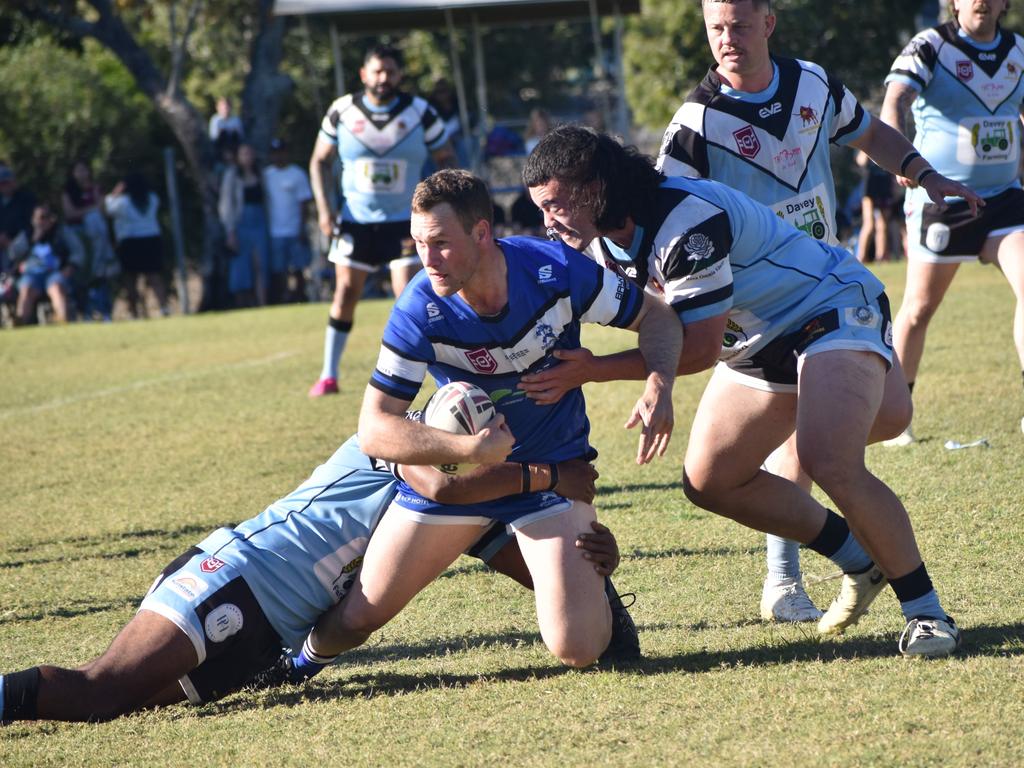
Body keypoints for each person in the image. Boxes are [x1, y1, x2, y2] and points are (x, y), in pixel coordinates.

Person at [521, 125, 965, 657]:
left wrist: (596, 370)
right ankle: (859, 559)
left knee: (829, 459)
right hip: (754, 341)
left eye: (556, 204)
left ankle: (926, 613)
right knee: (711, 481)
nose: (548, 222)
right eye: (540, 208)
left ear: (596, 187)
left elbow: (698, 349)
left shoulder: (685, 222)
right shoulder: (588, 240)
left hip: (823, 309)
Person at [655, 0, 981, 623]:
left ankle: (851, 574)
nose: (727, 40)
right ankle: (792, 579)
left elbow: (869, 133)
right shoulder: (695, 124)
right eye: (716, 28)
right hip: (754, 319)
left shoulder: (812, 82)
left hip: (828, 293)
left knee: (884, 418)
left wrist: (921, 171)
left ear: (768, 23)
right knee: (725, 472)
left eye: (740, 26)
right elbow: (666, 216)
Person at [291, 169, 680, 677]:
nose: (426, 260)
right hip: (470, 480)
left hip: (554, 474)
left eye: (440, 244)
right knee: (360, 615)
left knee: (578, 646)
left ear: (481, 233)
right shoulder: (420, 308)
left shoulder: (553, 269)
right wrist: (472, 451)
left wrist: (659, 383)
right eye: (417, 244)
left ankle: (591, 587)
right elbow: (375, 428)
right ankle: (294, 664)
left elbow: (656, 318)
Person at [0, 429, 629, 723]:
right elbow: (438, 482)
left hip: (262, 634)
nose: (489, 443)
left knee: (123, 706)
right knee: (98, 691)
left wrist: (589, 562)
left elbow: (523, 561)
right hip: (233, 580)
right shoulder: (406, 450)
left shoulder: (461, 501)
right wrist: (546, 480)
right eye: (481, 433)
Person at [881, 0, 1024, 442]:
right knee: (919, 309)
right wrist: (900, 157)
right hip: (941, 200)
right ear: (954, 2)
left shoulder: (1019, 50)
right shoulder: (930, 46)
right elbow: (894, 102)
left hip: (1005, 199)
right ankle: (895, 415)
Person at [307, 43, 456, 398]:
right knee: (345, 292)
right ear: (363, 74)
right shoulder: (342, 110)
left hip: (405, 223)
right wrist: (325, 211)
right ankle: (329, 374)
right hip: (355, 222)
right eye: (376, 71)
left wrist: (441, 209)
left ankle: (430, 377)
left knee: (408, 294)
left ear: (399, 75)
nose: (383, 78)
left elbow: (446, 158)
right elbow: (318, 161)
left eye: (390, 71)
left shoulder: (421, 112)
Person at [105, 173, 170, 318]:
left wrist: (115, 192)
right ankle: (164, 308)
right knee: (154, 276)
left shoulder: (122, 202)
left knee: (130, 280)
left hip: (130, 242)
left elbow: (108, 208)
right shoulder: (152, 198)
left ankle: (134, 312)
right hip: (152, 240)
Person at [8, 203, 84, 325]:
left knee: (56, 288)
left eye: (45, 217)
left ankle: (62, 320)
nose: (42, 221)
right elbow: (12, 253)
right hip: (32, 273)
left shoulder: (61, 233)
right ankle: (21, 321)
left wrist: (70, 267)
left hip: (55, 272)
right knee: (26, 290)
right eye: (39, 217)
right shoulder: (28, 234)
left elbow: (78, 252)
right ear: (33, 219)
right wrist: (33, 239)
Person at [62, 160, 119, 320]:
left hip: (97, 243)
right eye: (78, 170)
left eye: (84, 170)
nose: (81, 174)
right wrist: (92, 208)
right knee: (83, 273)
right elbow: (70, 214)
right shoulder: (69, 191)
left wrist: (94, 201)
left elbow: (102, 210)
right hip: (78, 238)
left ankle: (104, 311)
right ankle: (85, 312)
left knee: (99, 275)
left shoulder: (96, 189)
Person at [218, 143, 269, 308]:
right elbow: (226, 205)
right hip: (241, 224)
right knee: (241, 266)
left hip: (259, 222)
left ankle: (262, 303)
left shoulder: (260, 174)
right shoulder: (232, 176)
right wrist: (230, 231)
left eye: (249, 153)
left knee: (261, 264)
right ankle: (243, 305)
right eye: (243, 154)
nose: (247, 157)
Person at [263, 138, 312, 305]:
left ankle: (300, 297)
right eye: (275, 153)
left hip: (294, 229)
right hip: (275, 231)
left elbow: (304, 203)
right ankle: (283, 299)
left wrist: (301, 228)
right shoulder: (267, 175)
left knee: (299, 268)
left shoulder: (297, 174)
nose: (278, 157)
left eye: (281, 153)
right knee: (279, 270)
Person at [855, 151, 897, 264]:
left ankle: (881, 256)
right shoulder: (867, 143)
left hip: (884, 186)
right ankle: (861, 257)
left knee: (882, 224)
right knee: (869, 224)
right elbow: (861, 161)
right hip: (870, 187)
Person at [0, 162, 36, 263]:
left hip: (22, 238)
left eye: (7, 183)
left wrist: (8, 238)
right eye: (2, 184)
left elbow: (28, 225)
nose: (6, 186)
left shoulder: (26, 197)